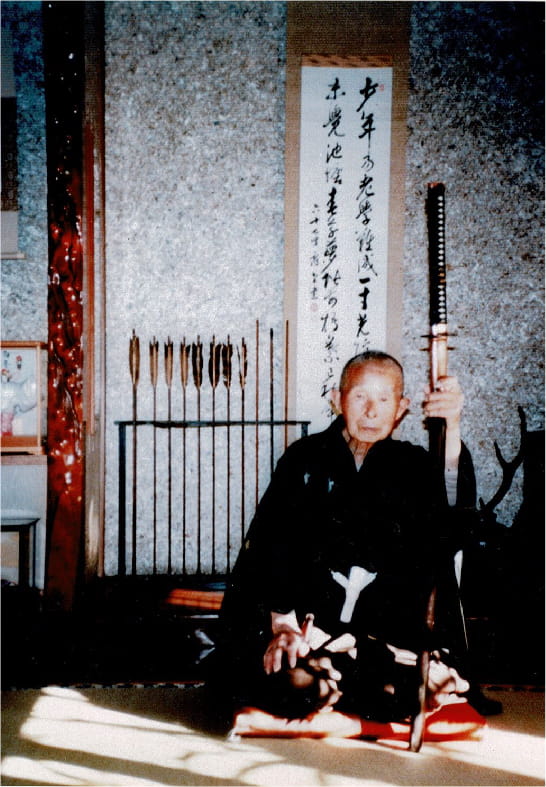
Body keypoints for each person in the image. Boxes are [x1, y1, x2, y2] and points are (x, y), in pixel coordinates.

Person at [210, 351, 494, 723]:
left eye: (384, 399)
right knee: (292, 684)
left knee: (403, 690)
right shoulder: (303, 460)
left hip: (386, 636)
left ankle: (352, 683)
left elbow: (454, 514)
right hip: (308, 629)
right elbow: (270, 545)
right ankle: (337, 681)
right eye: (360, 396)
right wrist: (283, 626)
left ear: (402, 407)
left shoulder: (414, 466)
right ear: (337, 399)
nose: (371, 411)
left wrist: (451, 425)